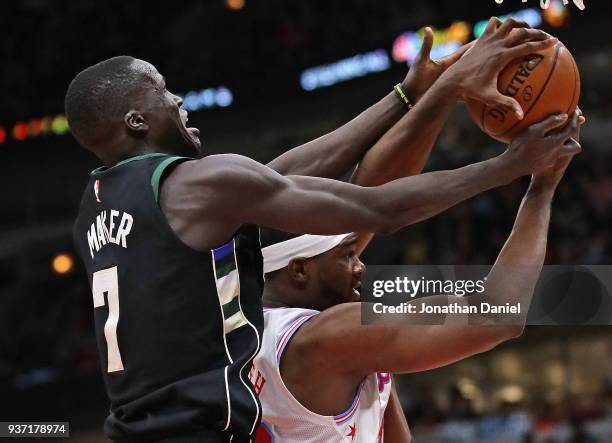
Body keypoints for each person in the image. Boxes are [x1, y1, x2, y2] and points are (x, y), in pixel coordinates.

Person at [67, 17, 571, 443]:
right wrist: (525, 173)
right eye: (161, 90)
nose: (362, 262)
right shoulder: (321, 341)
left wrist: (426, 94)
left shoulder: (102, 207)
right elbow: (382, 209)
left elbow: (316, 176)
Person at [254, 108, 584, 442]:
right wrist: (541, 188)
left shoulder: (254, 326)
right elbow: (498, 314)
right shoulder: (325, 339)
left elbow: (378, 191)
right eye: (347, 256)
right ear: (299, 270)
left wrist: (437, 93)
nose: (361, 266)